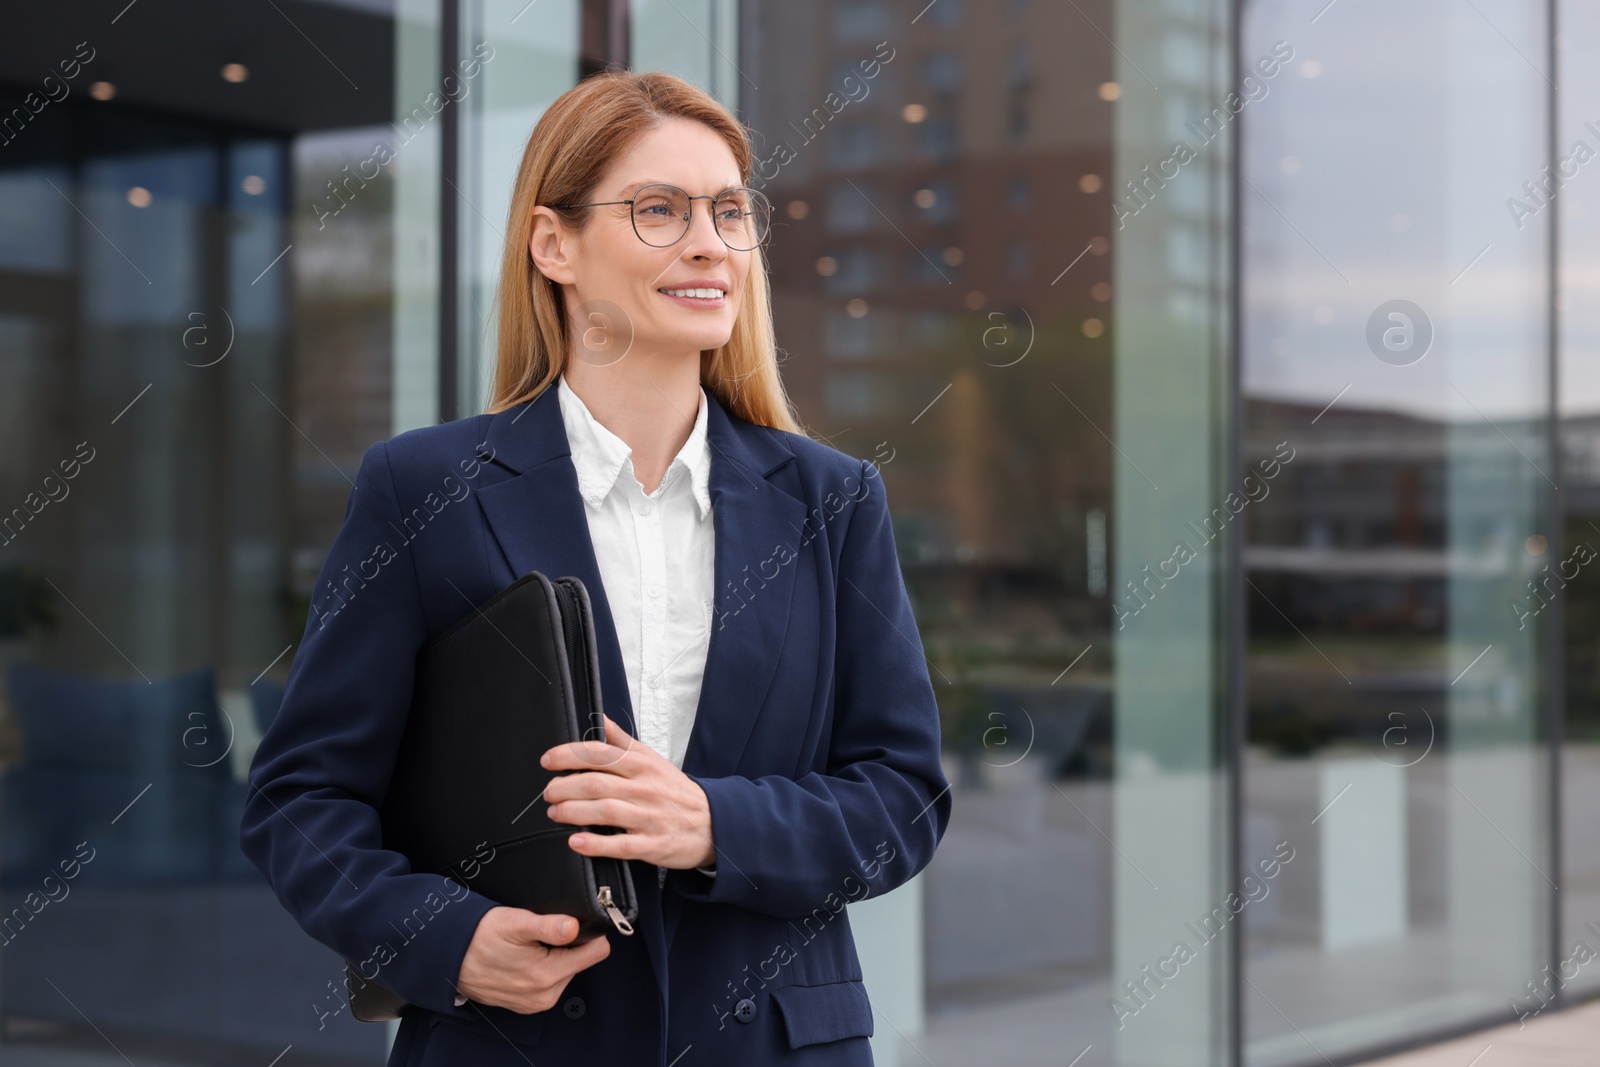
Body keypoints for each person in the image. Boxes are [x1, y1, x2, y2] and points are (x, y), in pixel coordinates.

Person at [240, 69, 951, 1066]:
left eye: (729, 211)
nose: (709, 242)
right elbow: (301, 801)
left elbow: (902, 798)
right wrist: (444, 940)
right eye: (658, 209)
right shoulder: (423, 487)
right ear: (553, 243)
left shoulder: (831, 499)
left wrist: (711, 821)